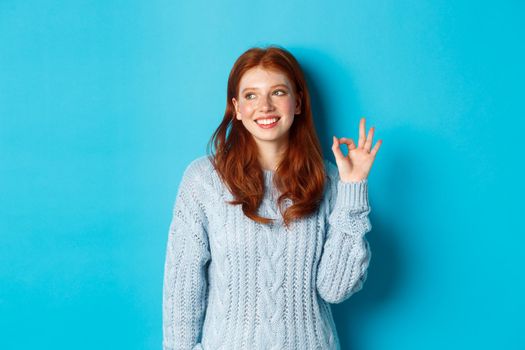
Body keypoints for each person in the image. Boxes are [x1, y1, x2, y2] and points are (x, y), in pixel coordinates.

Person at [162, 45, 382, 350]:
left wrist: (353, 187)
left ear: (298, 103)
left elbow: (335, 288)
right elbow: (183, 287)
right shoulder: (203, 179)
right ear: (237, 108)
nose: (264, 106)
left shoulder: (330, 180)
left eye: (278, 92)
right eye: (251, 95)